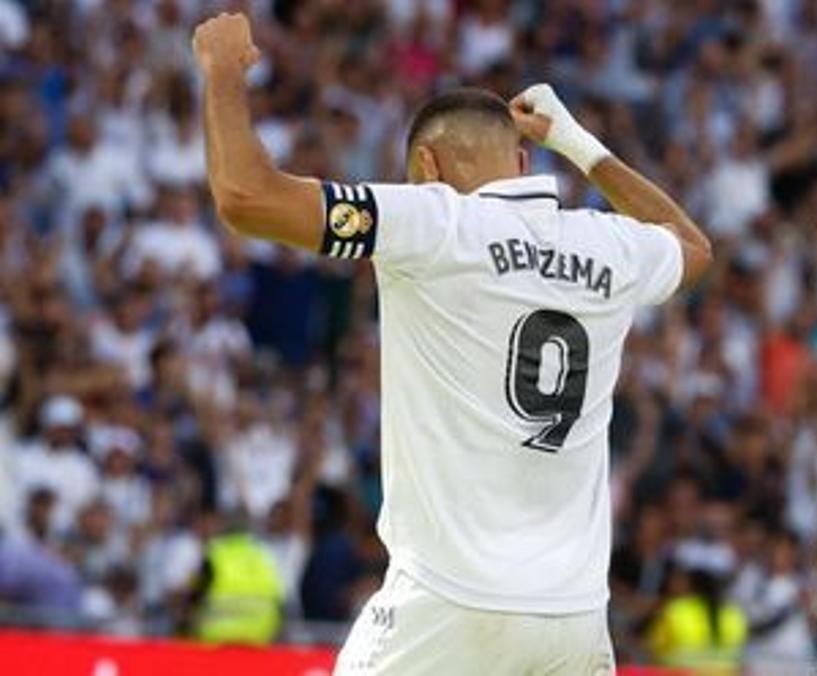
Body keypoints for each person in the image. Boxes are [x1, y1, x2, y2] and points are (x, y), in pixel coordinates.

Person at [192, 12, 711, 675]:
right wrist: (579, 144)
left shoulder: (432, 220)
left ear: (424, 166)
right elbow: (695, 249)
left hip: (447, 606)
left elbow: (245, 198)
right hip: (573, 617)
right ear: (523, 162)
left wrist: (221, 72)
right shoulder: (607, 245)